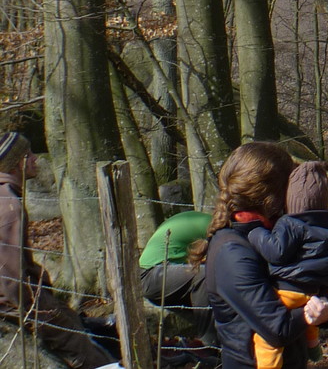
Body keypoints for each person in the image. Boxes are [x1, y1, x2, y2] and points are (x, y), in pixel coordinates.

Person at [204, 142, 328, 369]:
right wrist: (310, 314)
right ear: (273, 194)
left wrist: (326, 309)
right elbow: (277, 328)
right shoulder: (231, 251)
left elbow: (310, 286)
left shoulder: (276, 237)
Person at [0, 132, 114, 369]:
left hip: (22, 297)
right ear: (18, 163)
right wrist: (38, 315)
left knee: (77, 321)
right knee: (83, 350)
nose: (36, 159)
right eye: (29, 154)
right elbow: (11, 278)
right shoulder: (9, 207)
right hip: (16, 304)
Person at [245, 161, 328, 367]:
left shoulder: (290, 223)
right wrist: (323, 281)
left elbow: (276, 252)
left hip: (286, 290)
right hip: (313, 293)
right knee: (309, 319)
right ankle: (313, 346)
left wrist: (255, 232)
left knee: (266, 342)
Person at [138, 203, 214, 343]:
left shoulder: (204, 221)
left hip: (159, 275)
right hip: (152, 275)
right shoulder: (215, 227)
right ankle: (208, 344)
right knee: (205, 275)